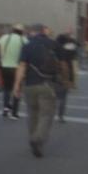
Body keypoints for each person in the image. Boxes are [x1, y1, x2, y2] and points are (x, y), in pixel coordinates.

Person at [13, 24, 59, 158]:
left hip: (30, 85)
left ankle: (33, 137)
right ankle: (37, 139)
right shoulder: (53, 44)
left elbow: (22, 66)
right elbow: (62, 63)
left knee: (32, 113)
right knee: (46, 114)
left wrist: (17, 86)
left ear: (33, 32)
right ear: (44, 31)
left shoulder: (27, 46)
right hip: (48, 84)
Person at [0, 24, 27, 119]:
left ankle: (5, 109)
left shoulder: (4, 37)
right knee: (17, 89)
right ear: (21, 31)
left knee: (6, 89)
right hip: (17, 68)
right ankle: (14, 113)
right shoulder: (23, 40)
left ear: (13, 30)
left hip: (5, 66)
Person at [54, 33, 78, 122]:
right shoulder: (69, 51)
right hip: (65, 75)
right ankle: (61, 116)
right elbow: (72, 66)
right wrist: (72, 79)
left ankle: (50, 112)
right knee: (63, 97)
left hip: (53, 74)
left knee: (52, 95)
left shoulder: (53, 49)